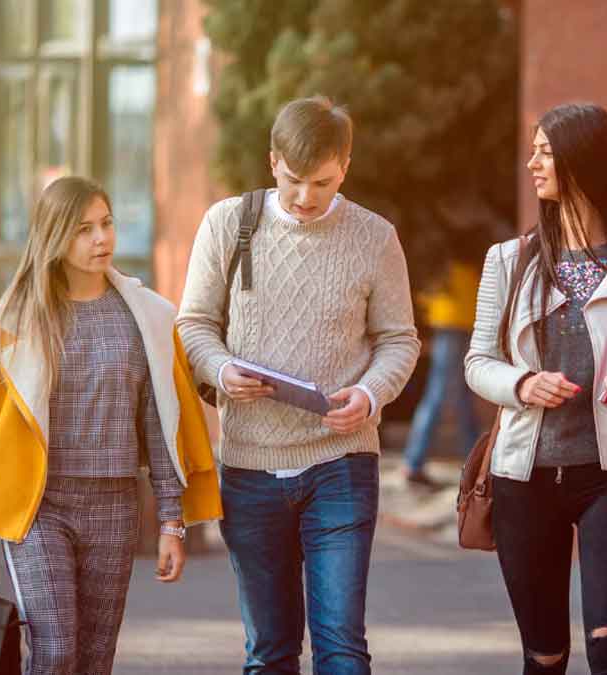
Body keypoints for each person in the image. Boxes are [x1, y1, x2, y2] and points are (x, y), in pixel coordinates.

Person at [0, 176, 223, 675]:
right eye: (83, 229)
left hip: (114, 505)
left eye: (106, 224)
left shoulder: (146, 317)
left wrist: (172, 522)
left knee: (94, 660)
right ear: (54, 238)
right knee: (55, 651)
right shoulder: (18, 318)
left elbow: (161, 424)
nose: (101, 239)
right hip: (37, 507)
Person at [177, 95, 420, 674]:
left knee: (341, 646)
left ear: (346, 168)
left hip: (341, 463)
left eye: (324, 182)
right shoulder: (227, 223)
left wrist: (368, 395)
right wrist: (219, 369)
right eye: (294, 181)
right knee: (270, 652)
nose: (307, 197)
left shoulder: (375, 237)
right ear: (271, 162)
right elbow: (195, 324)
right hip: (250, 468)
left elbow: (399, 339)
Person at [465, 103, 607, 674]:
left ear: (582, 159)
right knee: (545, 656)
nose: (532, 163)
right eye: (534, 150)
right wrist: (521, 382)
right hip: (525, 480)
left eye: (544, 151)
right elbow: (477, 362)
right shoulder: (508, 260)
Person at [401, 255, 482, 489]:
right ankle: (414, 462)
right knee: (440, 396)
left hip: (454, 322)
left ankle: (475, 464)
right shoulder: (458, 248)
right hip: (455, 323)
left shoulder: (440, 249)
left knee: (460, 397)